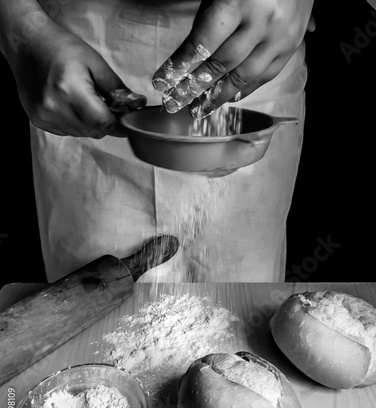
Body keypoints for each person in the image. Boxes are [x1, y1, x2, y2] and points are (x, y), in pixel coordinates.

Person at [0, 0, 315, 283]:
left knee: (242, 311)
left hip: (251, 49)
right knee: (93, 315)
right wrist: (21, 25)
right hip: (80, 46)